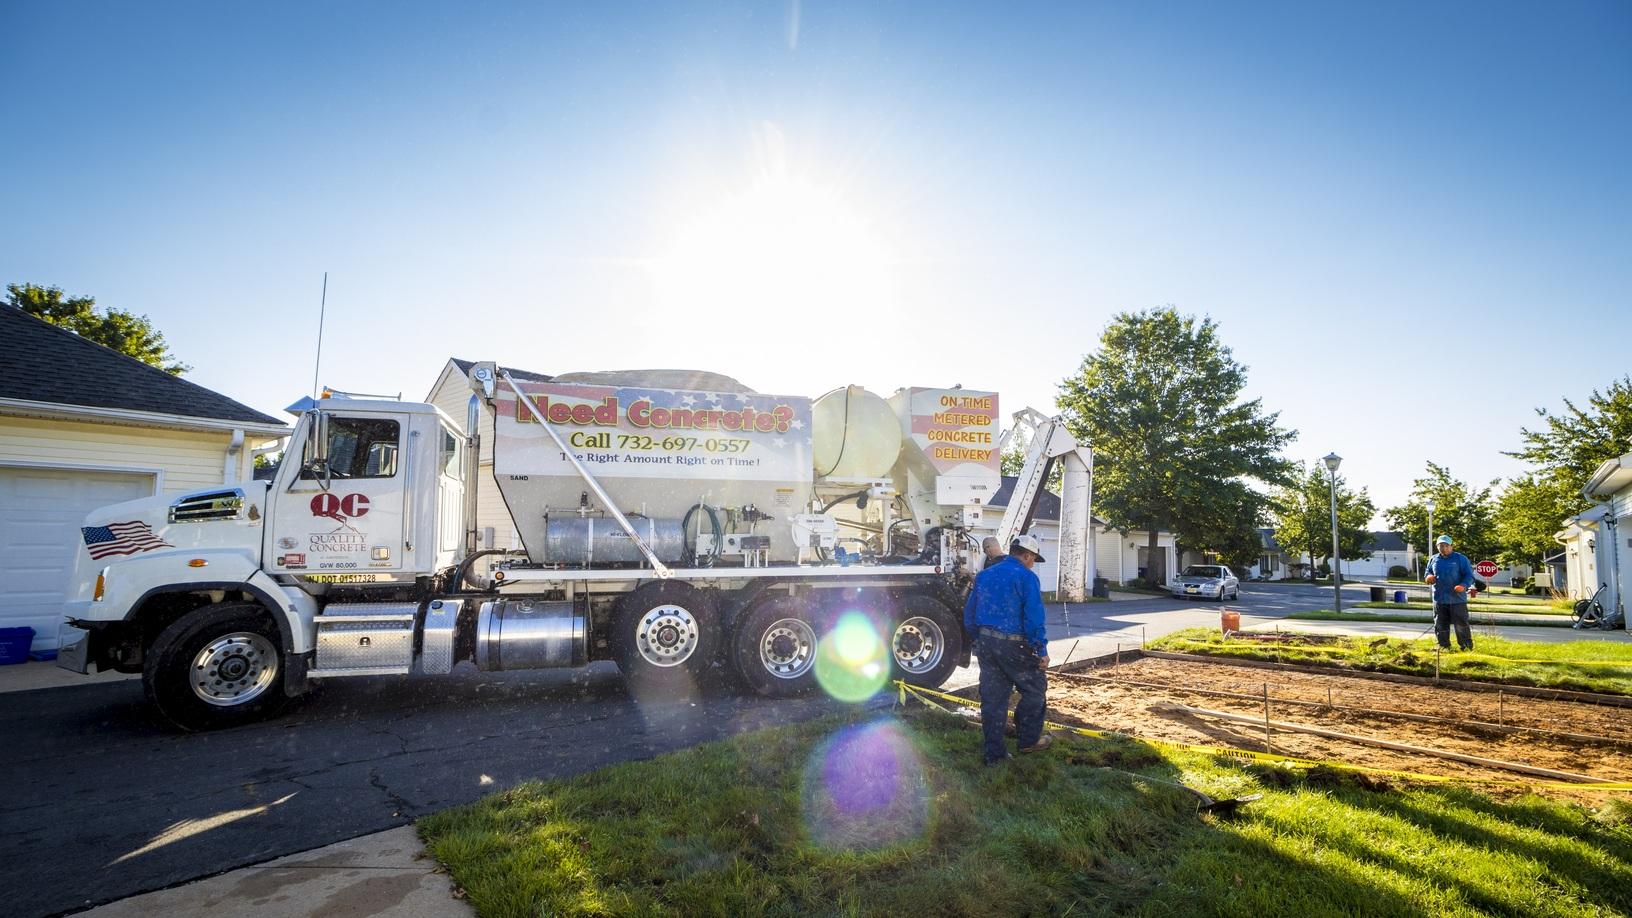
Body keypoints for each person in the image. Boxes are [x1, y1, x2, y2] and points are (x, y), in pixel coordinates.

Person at [963, 533, 1051, 764]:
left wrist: (980, 639)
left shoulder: (984, 576)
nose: (1033, 564)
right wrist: (1040, 650)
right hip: (1015, 645)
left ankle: (995, 754)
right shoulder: (1026, 578)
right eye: (1033, 559)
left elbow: (970, 615)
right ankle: (1028, 740)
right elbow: (1033, 619)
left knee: (993, 699)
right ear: (1026, 555)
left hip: (986, 643)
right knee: (1034, 688)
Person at [1425, 534, 1477, 651]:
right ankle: (1443, 646)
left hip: (1457, 599)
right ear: (1437, 547)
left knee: (1461, 624)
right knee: (1440, 624)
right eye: (1441, 546)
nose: (1444, 548)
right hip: (1439, 598)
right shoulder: (1434, 559)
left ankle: (1466, 647)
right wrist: (1428, 577)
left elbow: (1469, 576)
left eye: (1446, 545)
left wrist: (1463, 585)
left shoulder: (1460, 559)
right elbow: (1427, 572)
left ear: (1451, 546)